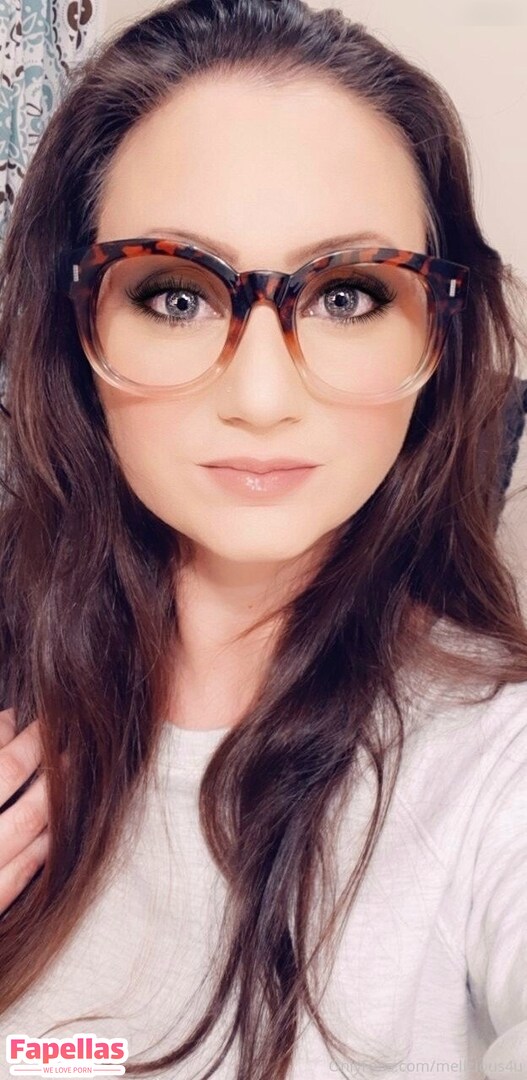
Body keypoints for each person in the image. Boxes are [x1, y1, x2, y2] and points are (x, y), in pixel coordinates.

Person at [0, 0, 526, 1076]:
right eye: (174, 295)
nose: (260, 396)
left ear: (438, 330)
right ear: (74, 324)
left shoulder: (493, 763)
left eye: (347, 295)